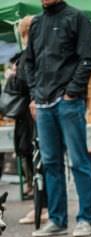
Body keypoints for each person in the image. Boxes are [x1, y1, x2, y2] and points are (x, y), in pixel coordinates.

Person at [25, 0, 91, 237]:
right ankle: (57, 220)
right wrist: (35, 94)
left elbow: (88, 59)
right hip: (43, 104)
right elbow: (29, 63)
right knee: (50, 164)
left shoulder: (77, 18)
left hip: (68, 103)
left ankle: (85, 219)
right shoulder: (36, 23)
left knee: (78, 162)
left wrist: (71, 92)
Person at [8, 16, 49, 225]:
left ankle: (42, 207)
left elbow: (25, 84)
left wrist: (14, 75)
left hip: (32, 115)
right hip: (29, 116)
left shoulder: (30, 56)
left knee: (38, 161)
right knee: (38, 161)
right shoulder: (31, 55)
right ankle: (41, 207)